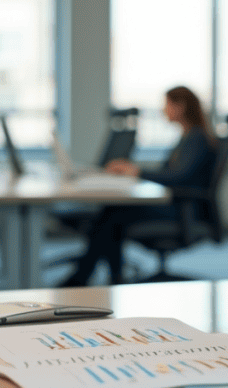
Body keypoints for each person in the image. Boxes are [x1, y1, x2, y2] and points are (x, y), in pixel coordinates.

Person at [60, 86, 218, 286]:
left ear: (180, 107)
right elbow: (168, 172)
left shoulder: (196, 138)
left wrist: (137, 172)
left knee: (113, 215)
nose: (164, 111)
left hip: (182, 210)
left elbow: (179, 177)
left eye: (167, 105)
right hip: (174, 205)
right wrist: (135, 170)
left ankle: (84, 277)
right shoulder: (188, 136)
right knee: (113, 213)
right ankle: (108, 277)